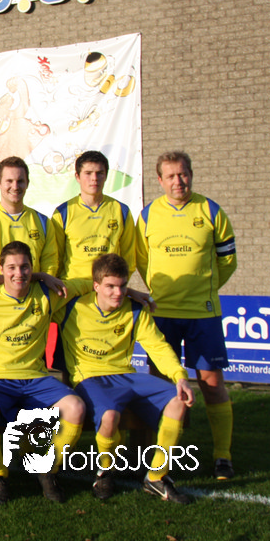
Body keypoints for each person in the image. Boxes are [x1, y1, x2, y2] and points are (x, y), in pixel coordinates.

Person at [0, 241, 87, 504]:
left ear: (33, 268)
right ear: (1, 269)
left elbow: (89, 284)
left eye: (25, 267)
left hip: (36, 377)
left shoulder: (46, 293)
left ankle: (45, 469)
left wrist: (129, 291)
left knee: (76, 407)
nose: (19, 273)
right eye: (12, 268)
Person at [57, 253, 195, 503]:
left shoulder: (135, 310)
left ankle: (156, 477)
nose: (118, 293)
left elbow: (158, 347)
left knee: (178, 401)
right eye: (110, 286)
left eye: (122, 286)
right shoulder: (72, 306)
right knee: (110, 416)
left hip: (127, 375)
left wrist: (180, 377)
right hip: (90, 378)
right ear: (95, 285)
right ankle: (104, 472)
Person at [137, 151, 237, 480]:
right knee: (162, 387)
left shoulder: (211, 211)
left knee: (212, 385)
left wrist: (203, 289)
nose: (178, 181)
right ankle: (164, 454)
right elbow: (142, 260)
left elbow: (228, 260)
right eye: (170, 176)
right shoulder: (148, 215)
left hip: (202, 314)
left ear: (191, 175)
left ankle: (222, 456)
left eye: (183, 174)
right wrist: (160, 290)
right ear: (160, 180)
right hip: (162, 314)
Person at [0, 156, 58, 278]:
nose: (15, 187)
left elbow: (50, 264)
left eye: (20, 181)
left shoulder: (43, 222)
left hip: (34, 290)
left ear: (27, 183)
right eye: (9, 181)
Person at [51, 150, 136, 278]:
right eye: (88, 173)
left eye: (99, 173)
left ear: (106, 176)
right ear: (77, 177)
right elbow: (55, 258)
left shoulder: (121, 210)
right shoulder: (63, 213)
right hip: (74, 286)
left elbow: (129, 257)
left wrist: (116, 284)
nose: (94, 178)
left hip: (108, 285)